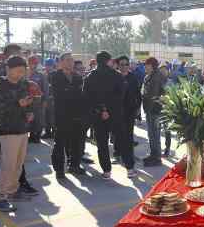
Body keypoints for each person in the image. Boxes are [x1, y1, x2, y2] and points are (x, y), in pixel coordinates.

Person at [0, 56, 35, 212]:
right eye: (18, 70)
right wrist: (17, 104)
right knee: (8, 165)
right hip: (8, 130)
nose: (20, 74)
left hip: (22, 128)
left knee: (18, 164)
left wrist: (28, 111)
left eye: (23, 71)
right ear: (8, 69)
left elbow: (26, 103)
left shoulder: (22, 85)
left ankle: (12, 191)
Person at [83, 51, 125, 179]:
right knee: (120, 138)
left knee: (102, 142)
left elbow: (86, 97)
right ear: (108, 61)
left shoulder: (90, 76)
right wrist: (109, 110)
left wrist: (101, 110)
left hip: (97, 114)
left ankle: (106, 170)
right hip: (114, 113)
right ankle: (126, 162)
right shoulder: (117, 75)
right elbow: (121, 95)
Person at [49, 53, 87, 179]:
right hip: (62, 115)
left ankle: (74, 165)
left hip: (77, 114)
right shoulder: (55, 76)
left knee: (77, 142)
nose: (71, 62)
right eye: (68, 60)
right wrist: (72, 93)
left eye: (72, 60)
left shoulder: (77, 77)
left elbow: (81, 96)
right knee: (60, 143)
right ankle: (59, 169)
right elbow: (60, 94)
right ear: (61, 63)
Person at [116, 56, 140, 177]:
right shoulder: (115, 77)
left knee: (128, 138)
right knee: (121, 138)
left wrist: (137, 109)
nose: (124, 66)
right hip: (117, 113)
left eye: (126, 64)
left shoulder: (133, 77)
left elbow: (137, 94)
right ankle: (125, 161)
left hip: (129, 113)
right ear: (118, 65)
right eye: (122, 64)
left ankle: (129, 166)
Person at [141, 57, 166, 166]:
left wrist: (148, 108)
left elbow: (153, 95)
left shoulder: (156, 77)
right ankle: (153, 154)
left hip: (155, 109)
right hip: (150, 109)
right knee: (151, 134)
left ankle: (156, 157)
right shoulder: (149, 76)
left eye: (147, 64)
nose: (145, 66)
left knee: (155, 134)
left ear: (152, 65)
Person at [26, 56, 48, 144]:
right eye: (32, 63)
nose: (33, 65)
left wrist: (45, 100)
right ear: (28, 63)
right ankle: (31, 135)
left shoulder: (41, 75)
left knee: (38, 119)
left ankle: (37, 136)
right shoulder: (25, 74)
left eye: (35, 64)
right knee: (28, 118)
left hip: (37, 101)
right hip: (27, 100)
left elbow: (45, 88)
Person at [42, 58, 57, 139]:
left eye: (50, 65)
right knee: (46, 116)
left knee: (52, 116)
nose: (48, 67)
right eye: (47, 65)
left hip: (53, 98)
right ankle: (48, 132)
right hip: (46, 98)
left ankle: (54, 131)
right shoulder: (44, 74)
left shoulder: (55, 74)